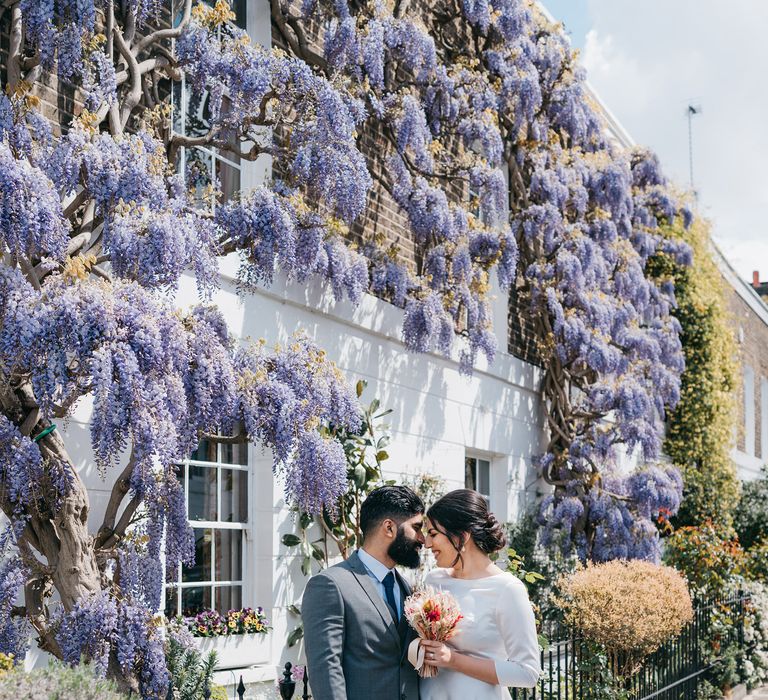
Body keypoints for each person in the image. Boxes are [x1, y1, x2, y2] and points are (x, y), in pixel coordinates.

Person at [303, 485, 426, 700]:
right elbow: (326, 671)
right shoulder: (331, 585)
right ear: (389, 528)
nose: (422, 539)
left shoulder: (406, 587)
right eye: (416, 527)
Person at [417, 489, 541, 699]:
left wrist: (453, 659)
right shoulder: (434, 580)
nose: (427, 544)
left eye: (433, 534)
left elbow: (527, 673)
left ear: (462, 537)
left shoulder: (507, 589)